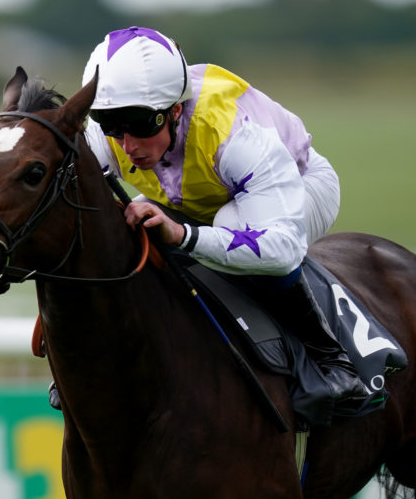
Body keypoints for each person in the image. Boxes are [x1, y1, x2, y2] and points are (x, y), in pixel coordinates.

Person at [48, 26, 367, 411]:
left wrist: (184, 236)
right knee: (125, 225)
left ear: (175, 111)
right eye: (112, 125)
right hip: (200, 195)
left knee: (231, 227)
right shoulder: (112, 135)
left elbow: (281, 249)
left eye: (141, 125)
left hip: (300, 186)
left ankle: (332, 360)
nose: (128, 145)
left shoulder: (233, 135)